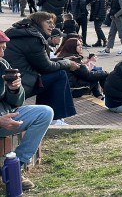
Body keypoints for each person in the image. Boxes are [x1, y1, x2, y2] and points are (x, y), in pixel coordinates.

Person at [0, 29, 53, 190]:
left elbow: (16, 101)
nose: (2, 53)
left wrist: (14, 89)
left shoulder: (2, 65)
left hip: (7, 117)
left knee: (45, 112)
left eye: (4, 48)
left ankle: (15, 167)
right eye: (0, 48)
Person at [4, 12, 79, 126]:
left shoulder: (22, 32)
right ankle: (55, 119)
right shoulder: (33, 38)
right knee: (60, 74)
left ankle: (50, 115)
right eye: (48, 22)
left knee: (52, 75)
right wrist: (67, 62)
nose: (52, 26)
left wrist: (63, 59)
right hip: (18, 86)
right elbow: (46, 67)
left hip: (11, 82)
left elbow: (40, 62)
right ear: (38, 22)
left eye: (53, 23)